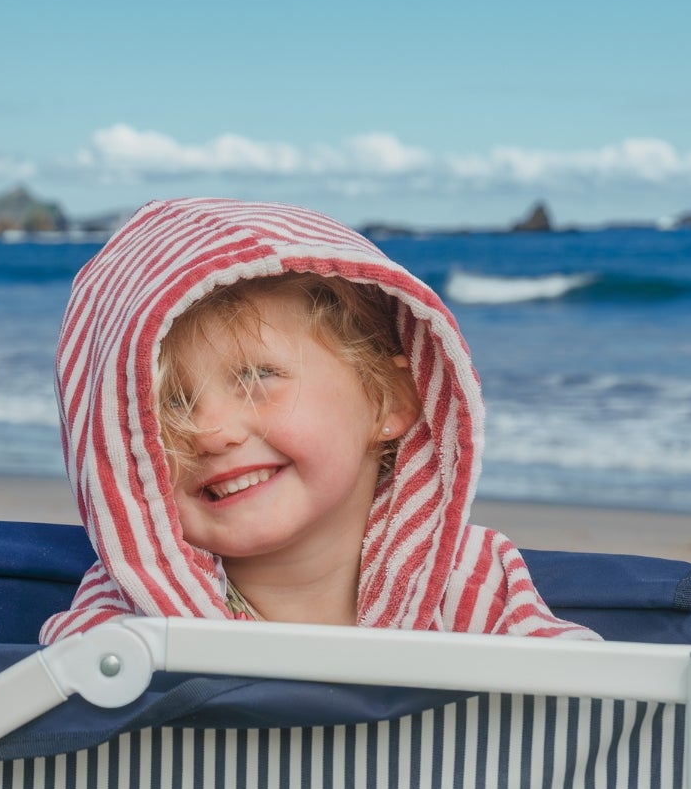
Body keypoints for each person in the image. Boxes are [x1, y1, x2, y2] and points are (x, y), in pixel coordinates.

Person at [41, 198, 597, 640]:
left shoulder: (468, 580)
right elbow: (73, 702)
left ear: (389, 399)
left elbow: (583, 698)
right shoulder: (127, 614)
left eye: (258, 377)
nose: (211, 432)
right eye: (171, 405)